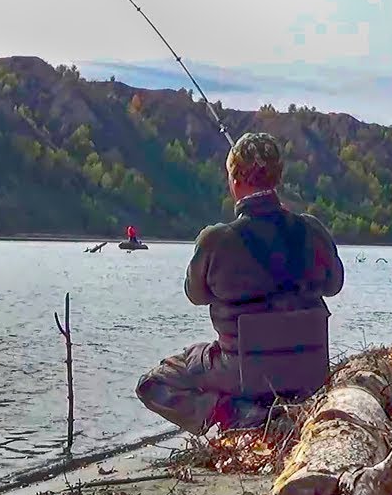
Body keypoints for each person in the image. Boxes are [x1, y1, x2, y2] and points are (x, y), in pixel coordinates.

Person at [135, 132, 344, 434]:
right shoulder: (313, 230)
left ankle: (234, 413)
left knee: (153, 384)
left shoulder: (216, 240)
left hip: (244, 371)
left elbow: (195, 294)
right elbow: (334, 285)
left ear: (233, 181)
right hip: (309, 371)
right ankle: (274, 408)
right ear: (278, 177)